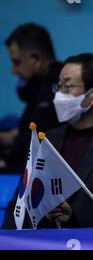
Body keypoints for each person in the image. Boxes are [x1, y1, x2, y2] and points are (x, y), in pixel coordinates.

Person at [2, 53, 93, 229]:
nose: (59, 96)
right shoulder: (47, 139)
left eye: (67, 87)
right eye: (59, 87)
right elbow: (21, 199)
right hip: (47, 241)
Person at [1, 23, 62, 173]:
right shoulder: (39, 86)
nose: (13, 70)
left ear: (35, 58)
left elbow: (36, 141)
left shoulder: (55, 87)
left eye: (17, 62)